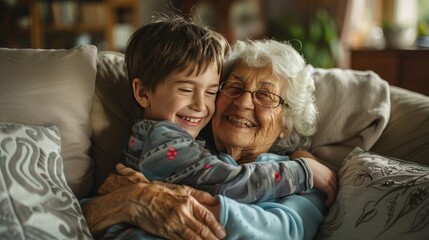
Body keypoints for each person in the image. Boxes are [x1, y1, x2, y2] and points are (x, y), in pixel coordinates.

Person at [90, 37, 337, 240]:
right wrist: (128, 200)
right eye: (234, 87)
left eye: (265, 95)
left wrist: (159, 200)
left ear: (287, 123)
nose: (242, 102)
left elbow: (281, 231)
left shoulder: (306, 180)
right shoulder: (183, 146)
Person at [123, 16, 335, 205]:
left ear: (286, 125)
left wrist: (298, 155)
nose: (199, 105)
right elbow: (229, 182)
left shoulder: (181, 128)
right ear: (142, 93)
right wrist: (303, 172)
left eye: (211, 92)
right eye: (234, 87)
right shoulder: (162, 138)